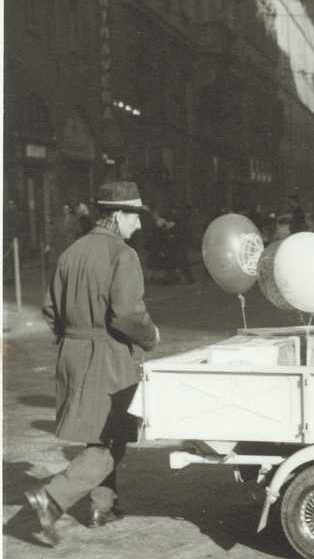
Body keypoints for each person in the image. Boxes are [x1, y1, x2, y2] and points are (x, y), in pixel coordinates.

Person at [26, 181, 160, 546]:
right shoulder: (123, 256)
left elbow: (51, 309)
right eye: (135, 216)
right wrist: (151, 337)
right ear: (117, 214)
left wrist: (73, 339)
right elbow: (128, 314)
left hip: (74, 353)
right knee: (108, 441)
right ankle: (50, 499)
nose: (139, 225)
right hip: (109, 357)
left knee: (102, 435)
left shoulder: (71, 253)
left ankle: (103, 506)